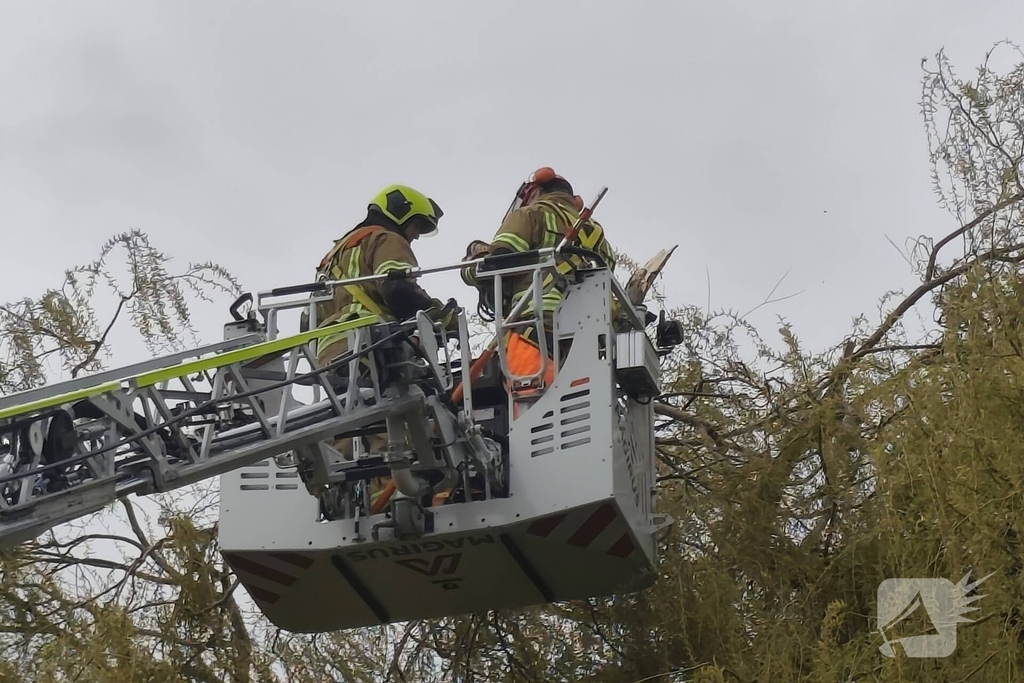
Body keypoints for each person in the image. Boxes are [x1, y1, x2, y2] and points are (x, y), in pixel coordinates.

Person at [311, 184, 457, 472]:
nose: (415, 235)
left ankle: (352, 500)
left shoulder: (331, 258)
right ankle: (394, 495)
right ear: (401, 213)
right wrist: (438, 316)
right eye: (416, 225)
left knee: (346, 429)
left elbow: (311, 319)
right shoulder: (385, 238)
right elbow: (397, 288)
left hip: (328, 354)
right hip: (369, 347)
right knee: (388, 430)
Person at [461, 167, 616, 412]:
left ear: (535, 191)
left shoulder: (530, 214)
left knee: (533, 414)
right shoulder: (596, 236)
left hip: (534, 332)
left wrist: (471, 265)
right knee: (577, 413)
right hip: (588, 342)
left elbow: (499, 266)